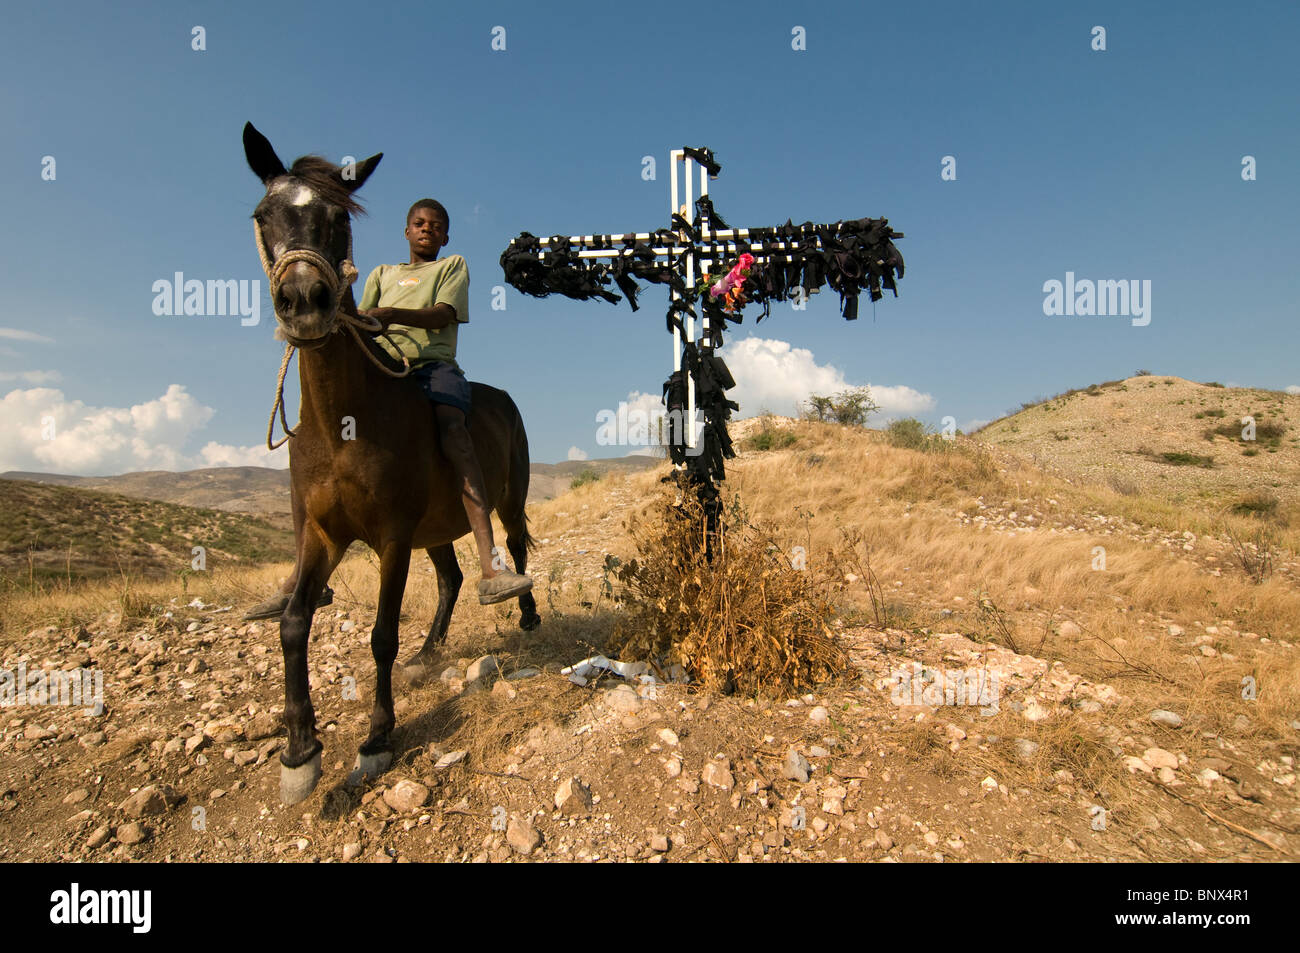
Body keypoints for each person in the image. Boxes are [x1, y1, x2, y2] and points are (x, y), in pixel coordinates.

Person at [243, 199, 531, 620]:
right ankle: (303, 576)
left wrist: (389, 313)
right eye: (418, 223)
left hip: (433, 368)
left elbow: (441, 316)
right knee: (307, 439)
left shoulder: (451, 267)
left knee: (453, 430)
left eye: (435, 225)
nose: (426, 229)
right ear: (406, 231)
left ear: (446, 236)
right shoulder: (380, 274)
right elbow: (361, 323)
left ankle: (491, 563)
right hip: (386, 368)